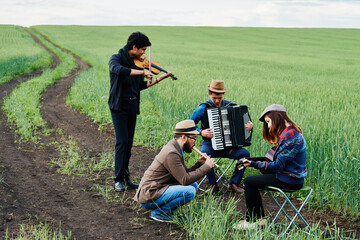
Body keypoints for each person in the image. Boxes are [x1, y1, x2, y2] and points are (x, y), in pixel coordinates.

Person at [108, 31, 172, 192]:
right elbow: (119, 70)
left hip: (132, 106)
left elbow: (139, 87)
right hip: (118, 106)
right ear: (134, 47)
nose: (144, 53)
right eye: (142, 49)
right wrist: (143, 72)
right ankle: (118, 179)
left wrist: (159, 79)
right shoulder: (116, 59)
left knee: (129, 144)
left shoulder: (138, 63)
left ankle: (126, 178)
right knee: (121, 142)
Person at [234, 104, 307, 230]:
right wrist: (256, 163)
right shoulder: (289, 133)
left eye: (268, 121)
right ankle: (259, 220)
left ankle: (251, 221)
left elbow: (278, 165)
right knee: (253, 181)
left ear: (277, 117)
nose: (268, 126)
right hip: (288, 176)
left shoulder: (291, 137)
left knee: (249, 181)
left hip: (290, 180)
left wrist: (253, 164)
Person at [134, 120, 216, 222]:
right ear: (183, 137)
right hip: (150, 194)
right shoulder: (171, 153)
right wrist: (207, 167)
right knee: (189, 191)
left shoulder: (175, 147)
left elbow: (183, 173)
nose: (195, 142)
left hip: (158, 189)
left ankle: (166, 210)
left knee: (193, 185)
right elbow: (185, 179)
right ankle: (159, 213)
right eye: (193, 138)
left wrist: (199, 163)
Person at [189, 80, 253, 193]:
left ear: (223, 94)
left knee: (244, 155)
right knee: (204, 155)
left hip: (229, 148)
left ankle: (233, 184)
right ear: (209, 94)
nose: (218, 101)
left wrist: (249, 126)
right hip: (210, 146)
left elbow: (244, 123)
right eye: (214, 98)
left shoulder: (232, 106)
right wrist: (200, 132)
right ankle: (213, 185)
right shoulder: (203, 108)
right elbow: (188, 124)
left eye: (220, 97)